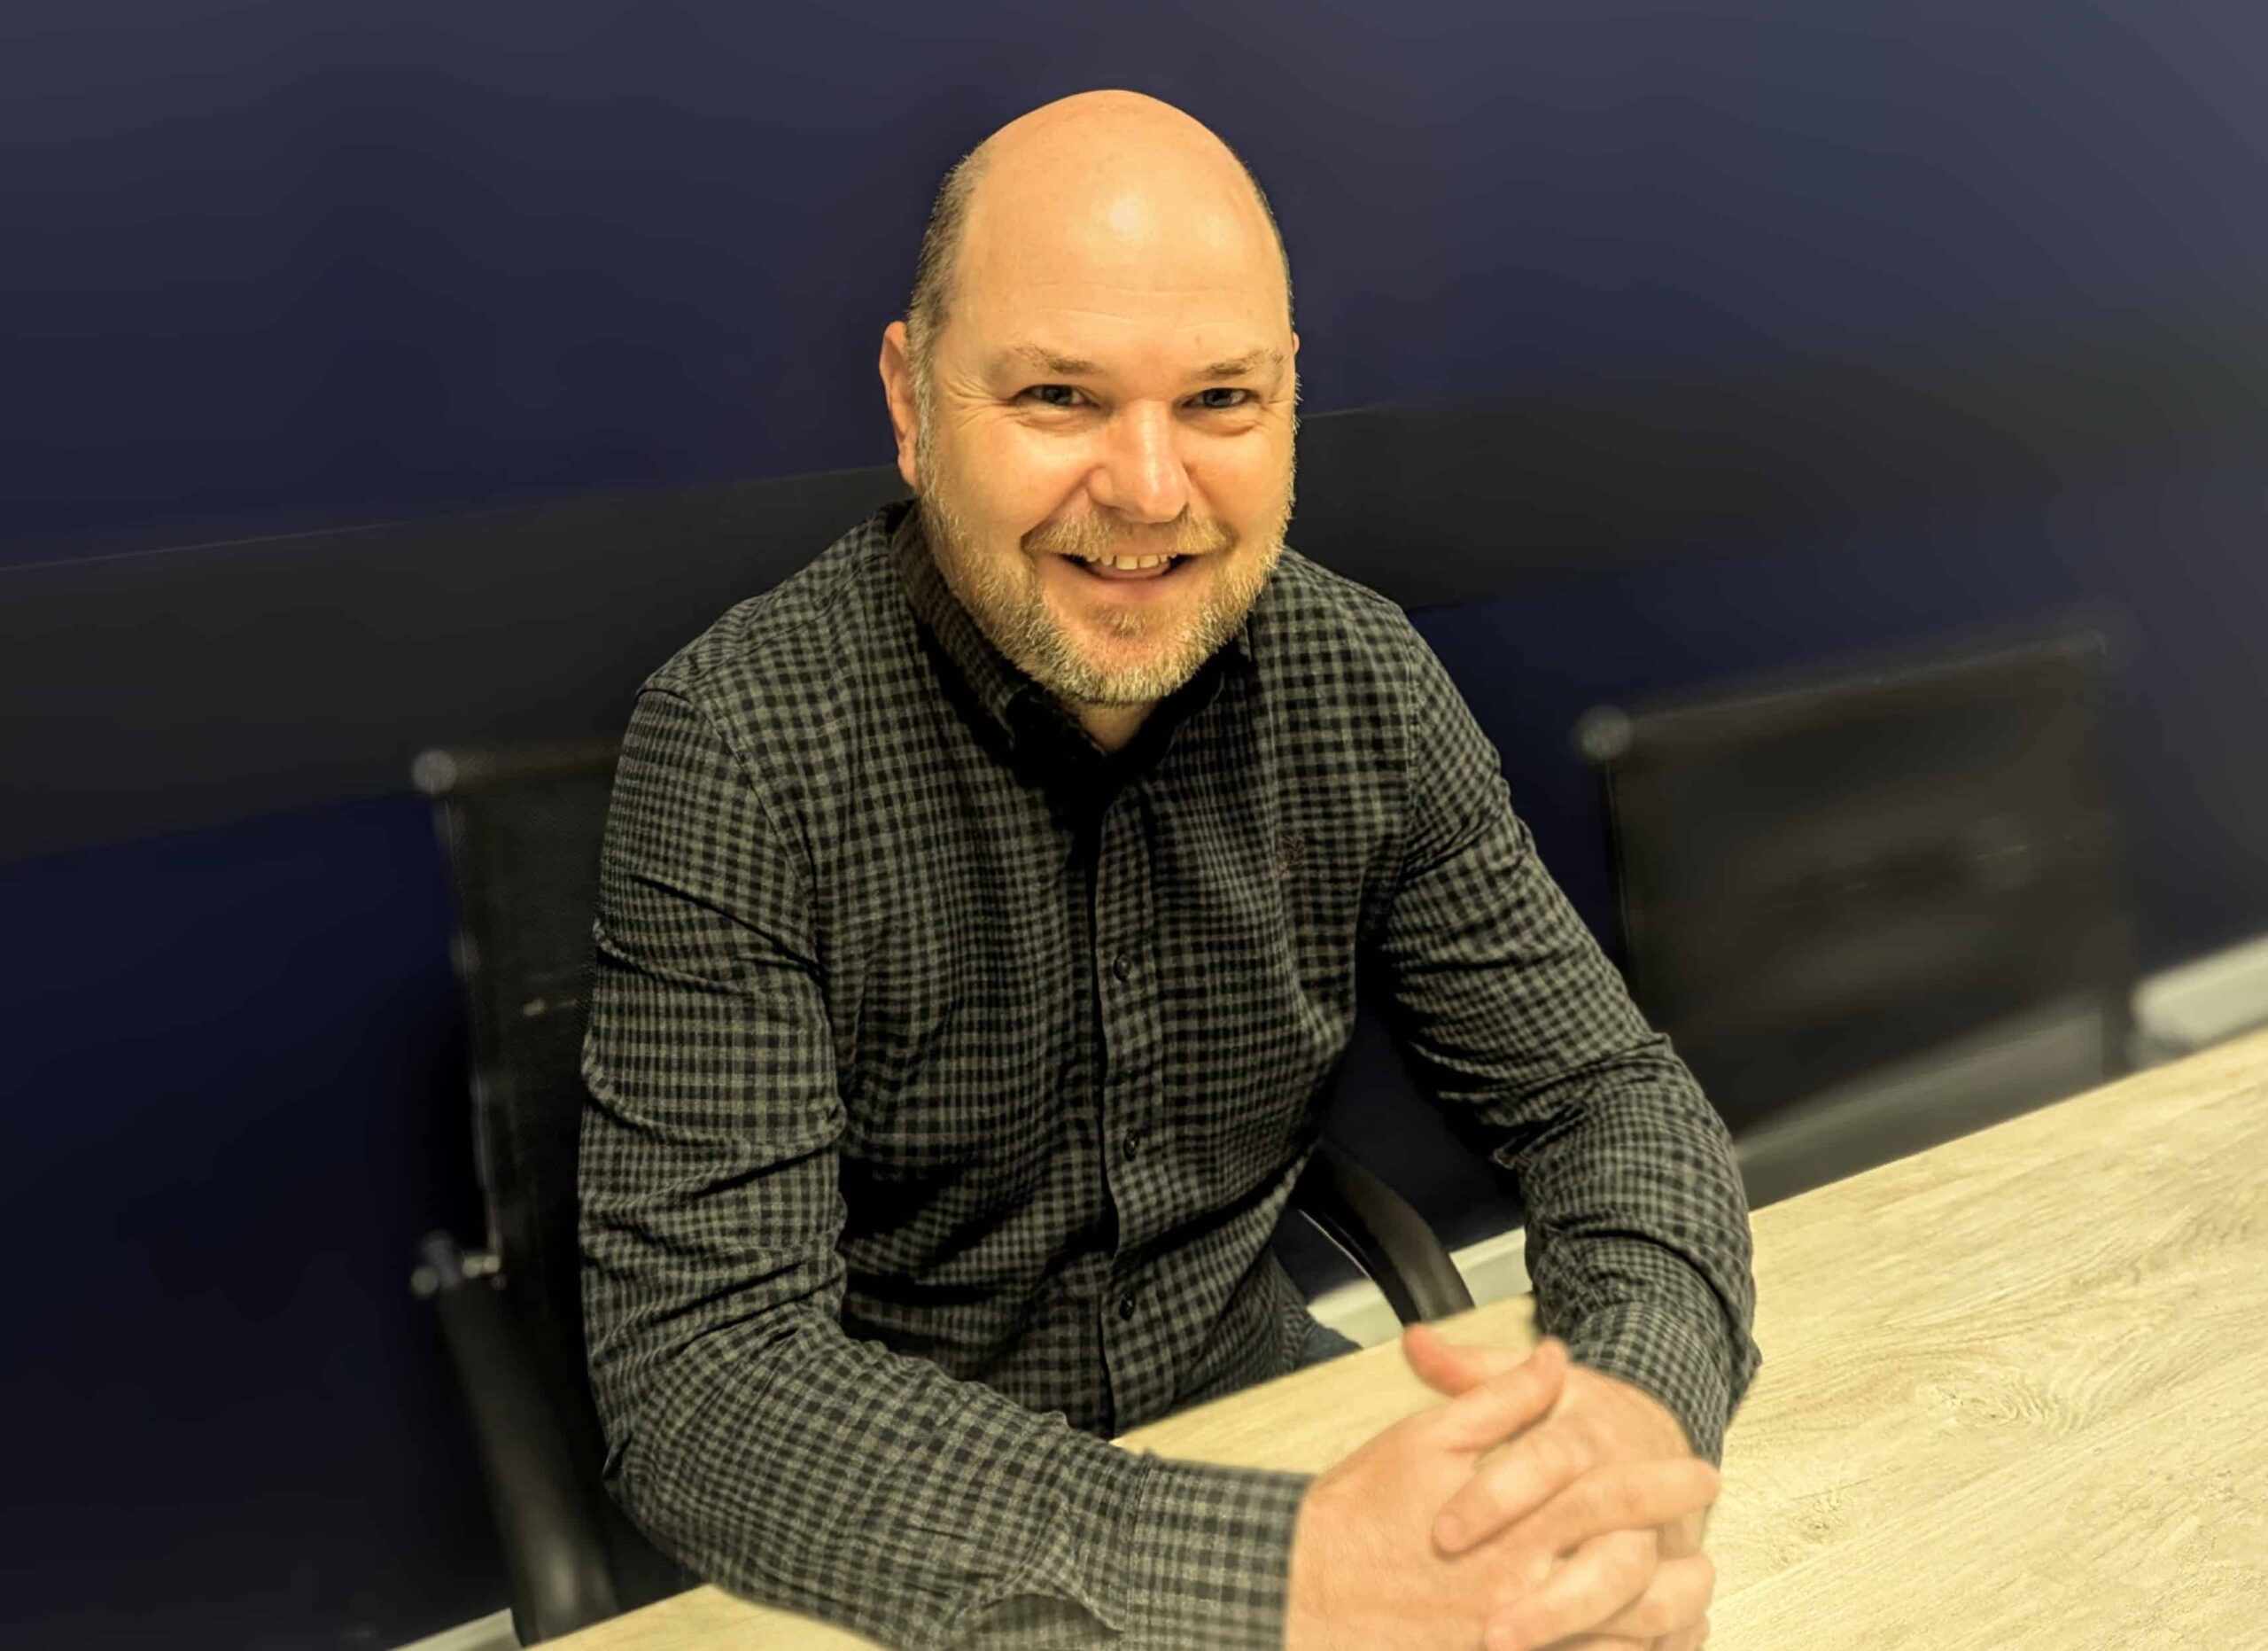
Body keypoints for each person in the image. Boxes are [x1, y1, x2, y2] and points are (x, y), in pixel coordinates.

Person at [579, 88, 1760, 1651]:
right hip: (890, 1555)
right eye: (1061, 395)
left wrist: (1628, 1416)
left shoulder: (1365, 685)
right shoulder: (739, 740)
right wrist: (1284, 1575)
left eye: (1220, 400)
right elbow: (707, 1379)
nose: (1148, 490)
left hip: (1254, 1442)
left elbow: (1605, 1100)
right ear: (911, 401)